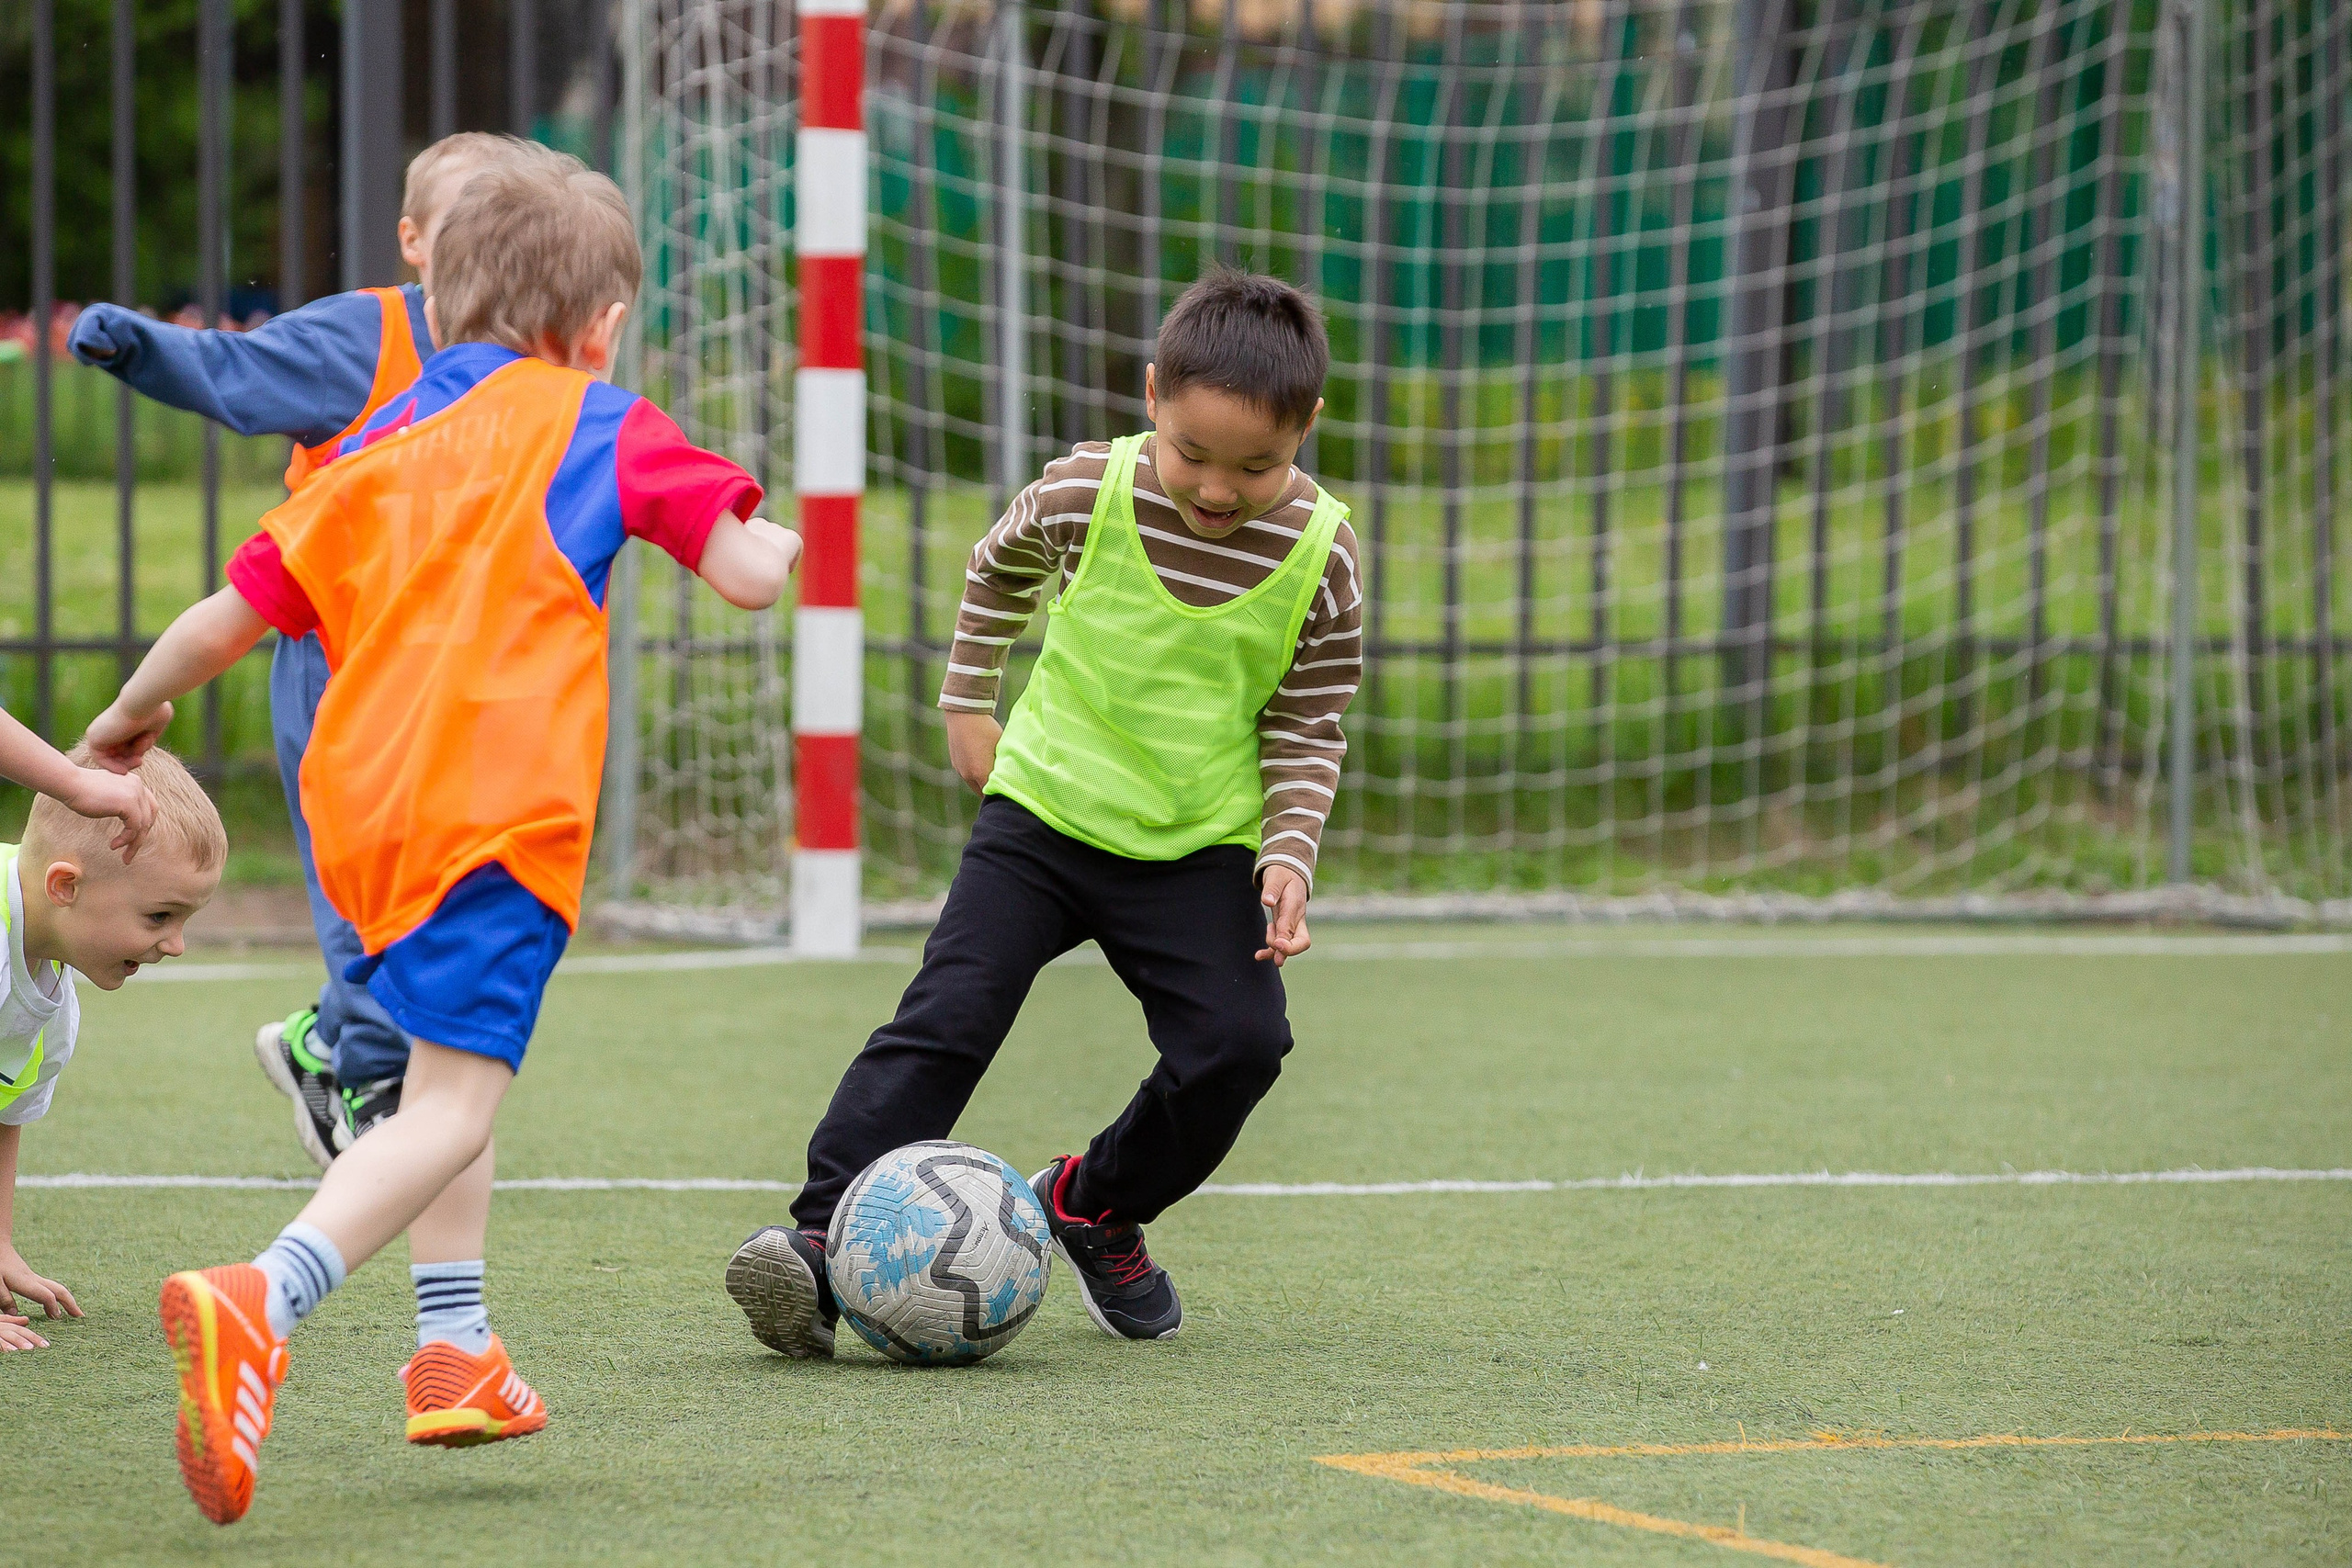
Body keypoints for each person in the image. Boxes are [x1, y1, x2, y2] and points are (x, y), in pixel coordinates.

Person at [84, 153, 800, 1526]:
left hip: (364, 818)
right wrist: (785, 545)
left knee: (430, 1077)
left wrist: (132, 710)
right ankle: (266, 1293)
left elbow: (225, 614)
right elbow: (746, 573)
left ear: (440, 295)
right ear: (597, 324)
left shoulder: (375, 446)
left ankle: (457, 1347)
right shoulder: (605, 420)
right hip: (496, 819)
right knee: (460, 1100)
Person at [727, 268, 1363, 1354]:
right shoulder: (1087, 488)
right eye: (1192, 454)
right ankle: (821, 1242)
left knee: (1242, 1046)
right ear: (1153, 394)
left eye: (1255, 465)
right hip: (1042, 815)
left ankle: (1097, 1203)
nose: (1215, 489)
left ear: (1306, 428)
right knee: (948, 1019)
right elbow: (995, 567)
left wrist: (1286, 859)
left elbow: (1308, 725)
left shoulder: (1323, 554)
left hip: (1193, 846)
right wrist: (966, 700)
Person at [70, 133, 561, 1171]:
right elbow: (236, 370)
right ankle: (372, 1079)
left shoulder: (539, 362)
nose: (490, 243)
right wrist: (143, 349)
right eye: (468, 221)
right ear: (415, 241)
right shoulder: (362, 338)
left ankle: (327, 1042)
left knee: (455, 882)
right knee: (358, 876)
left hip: (469, 676)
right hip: (339, 662)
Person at [0, 746, 223, 1350]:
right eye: (158, 916)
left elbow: (6, 1112)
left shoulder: (53, 1014)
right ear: (65, 886)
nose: (174, 944)